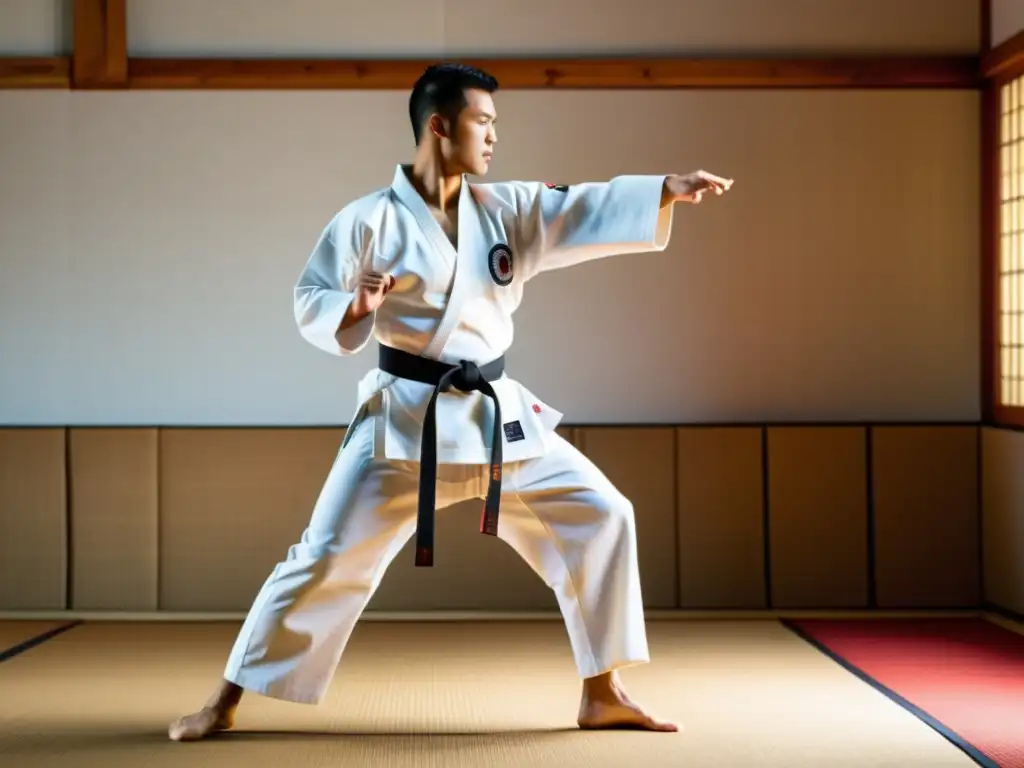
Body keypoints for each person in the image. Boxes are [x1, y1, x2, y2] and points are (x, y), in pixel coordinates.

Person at [168, 62, 732, 742]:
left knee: (605, 515)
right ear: (440, 125)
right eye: (482, 121)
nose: (493, 136)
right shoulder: (367, 219)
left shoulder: (505, 209)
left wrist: (661, 191)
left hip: (496, 420)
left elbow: (579, 205)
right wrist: (355, 305)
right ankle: (223, 700)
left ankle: (602, 691)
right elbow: (310, 298)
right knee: (320, 558)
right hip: (406, 424)